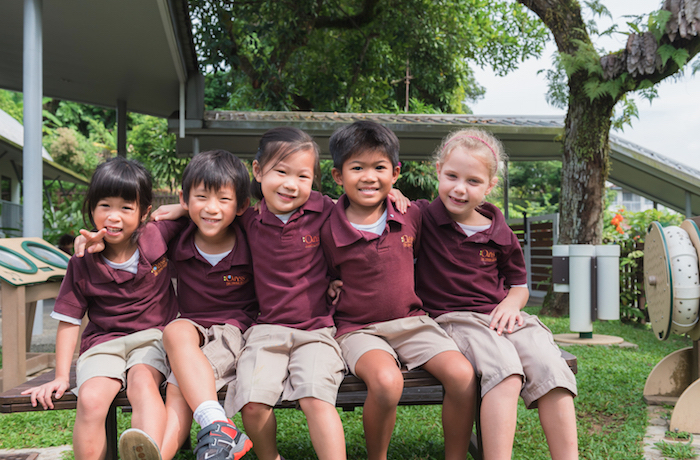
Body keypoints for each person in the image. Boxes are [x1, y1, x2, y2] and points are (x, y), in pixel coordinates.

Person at [414, 128, 579, 460]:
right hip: (454, 319)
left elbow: (519, 285)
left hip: (500, 316)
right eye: (452, 176)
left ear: (489, 187)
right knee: (505, 370)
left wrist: (510, 303)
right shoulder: (421, 217)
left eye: (473, 181)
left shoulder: (500, 231)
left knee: (552, 367)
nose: (460, 189)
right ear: (437, 172)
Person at [321, 120, 477, 460]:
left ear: (395, 173)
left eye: (379, 168)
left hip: (412, 322)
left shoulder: (412, 214)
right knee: (388, 383)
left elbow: (461, 210)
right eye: (357, 168)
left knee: (463, 375)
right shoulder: (325, 223)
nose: (368, 177)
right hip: (357, 330)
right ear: (338, 176)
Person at [22, 157, 181, 460]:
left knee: (143, 386)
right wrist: (59, 376)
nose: (114, 217)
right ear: (91, 208)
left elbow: (206, 212)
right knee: (92, 400)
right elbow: (69, 320)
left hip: (152, 338)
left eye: (126, 207)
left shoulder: (156, 235)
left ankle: (145, 454)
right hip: (103, 342)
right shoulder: (81, 260)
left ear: (144, 212)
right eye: (105, 206)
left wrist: (179, 208)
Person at [227, 127, 347, 460]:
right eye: (281, 171)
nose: (291, 184)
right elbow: (208, 214)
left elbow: (364, 210)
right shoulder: (248, 219)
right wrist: (177, 211)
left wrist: (394, 197)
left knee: (314, 396)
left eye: (303, 176)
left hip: (316, 331)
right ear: (258, 170)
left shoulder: (325, 209)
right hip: (266, 331)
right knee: (251, 401)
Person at [157, 150, 255, 460]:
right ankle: (218, 427)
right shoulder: (178, 235)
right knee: (174, 331)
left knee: (178, 385)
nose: (211, 209)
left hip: (235, 329)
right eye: (201, 197)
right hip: (193, 326)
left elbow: (312, 209)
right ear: (185, 199)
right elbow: (130, 231)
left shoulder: (251, 231)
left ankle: (161, 453)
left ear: (241, 206)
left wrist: (392, 193)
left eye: (223, 200)